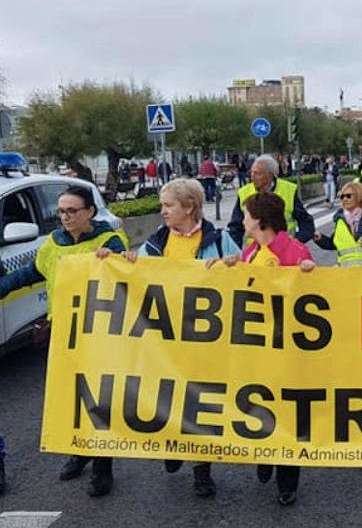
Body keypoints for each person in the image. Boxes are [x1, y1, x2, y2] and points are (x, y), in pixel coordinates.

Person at [108, 178, 240, 497]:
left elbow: (251, 281)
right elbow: (137, 279)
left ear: (190, 207)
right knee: (168, 396)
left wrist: (234, 265)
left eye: (168, 206)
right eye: (162, 206)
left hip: (206, 341)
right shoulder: (154, 244)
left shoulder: (221, 241)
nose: (162, 212)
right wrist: (120, 264)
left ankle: (201, 470)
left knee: (199, 403)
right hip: (165, 339)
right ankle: (173, 444)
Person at [0, 186, 127, 497]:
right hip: (64, 334)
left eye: (72, 211)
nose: (65, 217)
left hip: (99, 335)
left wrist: (117, 259)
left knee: (97, 400)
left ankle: (102, 467)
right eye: (61, 211)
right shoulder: (53, 244)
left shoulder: (108, 241)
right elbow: (31, 273)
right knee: (71, 400)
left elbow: (130, 272)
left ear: (90, 213)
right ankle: (80, 452)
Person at [213, 191, 315, 505]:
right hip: (256, 349)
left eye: (246, 215)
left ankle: (287, 479)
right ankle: (264, 455)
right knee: (258, 404)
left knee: (285, 412)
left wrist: (309, 273)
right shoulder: (249, 252)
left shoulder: (292, 250)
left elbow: (312, 295)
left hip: (286, 351)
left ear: (259, 220)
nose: (242, 221)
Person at [228, 154, 314, 247]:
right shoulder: (244, 193)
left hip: (283, 252)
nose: (252, 177)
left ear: (269, 176)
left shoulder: (288, 190)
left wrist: (297, 241)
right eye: (251, 173)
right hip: (255, 254)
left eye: (257, 173)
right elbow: (235, 227)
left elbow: (306, 222)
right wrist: (234, 251)